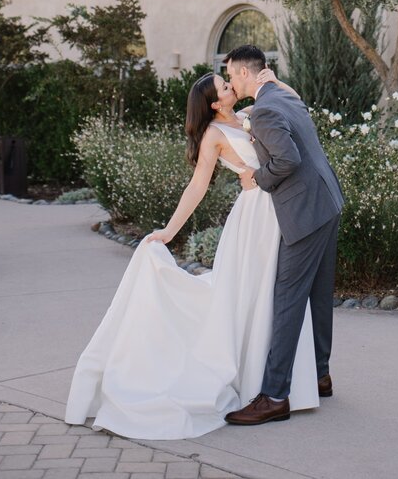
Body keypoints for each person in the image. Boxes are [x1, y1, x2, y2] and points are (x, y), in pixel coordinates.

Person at [64, 67, 319, 439]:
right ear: (215, 104)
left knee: (280, 295)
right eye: (224, 85)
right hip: (254, 219)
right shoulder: (215, 135)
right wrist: (169, 231)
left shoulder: (251, 115)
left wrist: (275, 80)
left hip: (280, 210)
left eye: (228, 79)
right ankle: (259, 386)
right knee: (254, 294)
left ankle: (285, 385)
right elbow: (197, 186)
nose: (231, 84)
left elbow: (296, 107)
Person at [223, 44, 345, 427]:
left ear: (245, 73)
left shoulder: (265, 109)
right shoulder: (283, 96)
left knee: (287, 299)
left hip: (305, 212)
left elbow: (287, 160)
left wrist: (255, 178)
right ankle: (321, 376)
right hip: (328, 202)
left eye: (229, 74)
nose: (228, 80)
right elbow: (299, 116)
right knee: (318, 296)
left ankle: (275, 395)